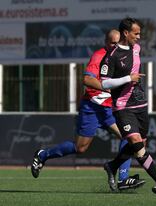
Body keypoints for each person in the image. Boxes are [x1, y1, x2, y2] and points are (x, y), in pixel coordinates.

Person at [31, 29, 145, 191]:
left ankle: (123, 179)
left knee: (129, 137)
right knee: (81, 148)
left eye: (118, 42)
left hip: (110, 110)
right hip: (92, 108)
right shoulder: (99, 56)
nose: (116, 45)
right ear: (106, 42)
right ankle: (43, 155)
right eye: (113, 43)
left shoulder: (123, 55)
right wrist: (107, 88)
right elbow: (86, 79)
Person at [99, 17, 156, 194]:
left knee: (141, 143)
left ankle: (112, 166)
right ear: (126, 33)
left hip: (141, 105)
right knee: (137, 143)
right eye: (136, 33)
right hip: (123, 107)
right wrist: (128, 79)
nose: (139, 37)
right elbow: (104, 83)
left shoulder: (136, 49)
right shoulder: (111, 57)